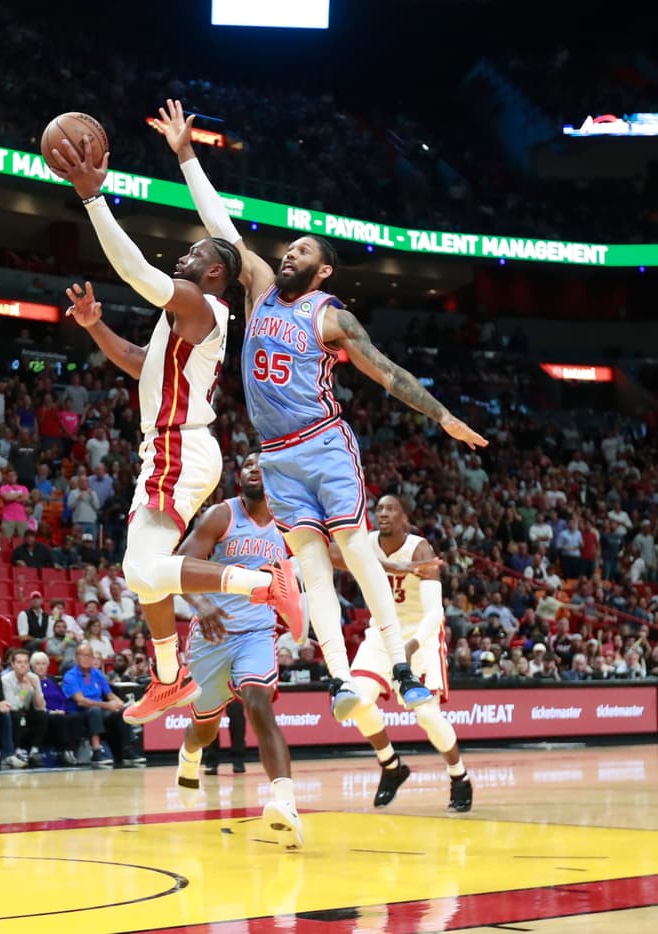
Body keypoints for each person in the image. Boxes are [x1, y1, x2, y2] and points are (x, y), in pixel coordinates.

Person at [155, 99, 487, 720]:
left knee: (358, 555)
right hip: (276, 456)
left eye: (302, 251)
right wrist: (185, 155)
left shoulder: (330, 315)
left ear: (324, 269)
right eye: (287, 249)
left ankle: (396, 668)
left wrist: (441, 415)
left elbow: (387, 372)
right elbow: (222, 226)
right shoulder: (256, 288)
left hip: (323, 442)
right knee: (310, 567)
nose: (288, 255)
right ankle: (339, 677)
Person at [53, 139, 302, 728]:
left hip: (180, 446)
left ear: (213, 272)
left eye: (192, 255)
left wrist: (93, 199)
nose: (180, 259)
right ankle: (169, 677)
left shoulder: (202, 306)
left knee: (143, 571)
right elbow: (143, 363)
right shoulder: (184, 321)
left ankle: (263, 584)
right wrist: (96, 328)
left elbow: (134, 270)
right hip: (168, 447)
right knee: (140, 571)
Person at [174, 451, 302, 849]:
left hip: (257, 633)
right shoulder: (220, 516)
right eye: (247, 465)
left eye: (261, 467)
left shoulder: (289, 526)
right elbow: (178, 564)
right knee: (206, 728)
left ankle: (286, 803)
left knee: (259, 704)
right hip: (212, 634)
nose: (253, 470)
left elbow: (318, 564)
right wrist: (202, 603)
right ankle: (189, 753)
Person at [333, 495, 472, 813]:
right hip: (380, 635)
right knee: (356, 701)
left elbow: (435, 612)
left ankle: (459, 776)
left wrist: (410, 647)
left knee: (426, 714)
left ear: (404, 518)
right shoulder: (365, 543)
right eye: (379, 508)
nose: (383, 513)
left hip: (418, 637)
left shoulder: (420, 549)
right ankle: (391, 764)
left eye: (390, 508)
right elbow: (334, 553)